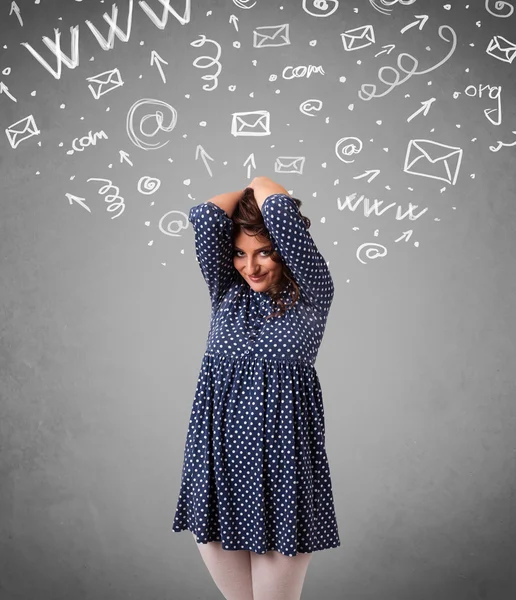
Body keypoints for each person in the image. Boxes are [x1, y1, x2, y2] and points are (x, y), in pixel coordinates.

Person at [172, 176, 340, 599]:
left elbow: (274, 200)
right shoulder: (226, 293)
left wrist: (256, 188)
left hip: (282, 477)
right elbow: (207, 216)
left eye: (265, 251)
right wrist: (246, 206)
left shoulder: (312, 296)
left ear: (286, 249)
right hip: (217, 471)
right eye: (240, 254)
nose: (251, 267)